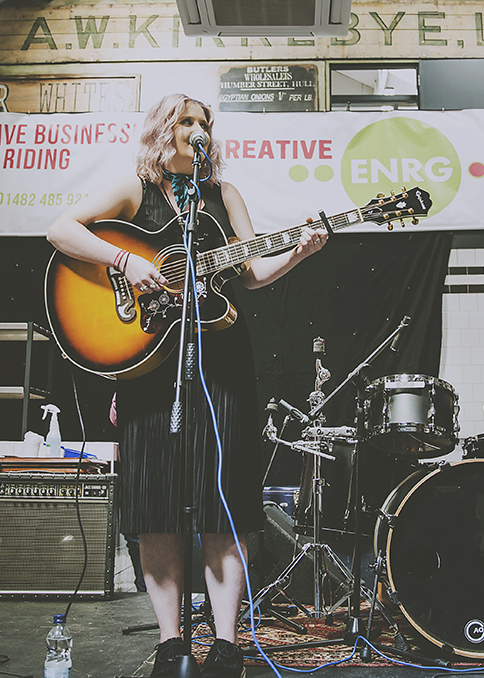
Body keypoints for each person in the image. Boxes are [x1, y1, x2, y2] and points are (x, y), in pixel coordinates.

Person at [47, 93, 327, 678]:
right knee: (158, 506)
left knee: (226, 503)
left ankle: (225, 644)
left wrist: (298, 253)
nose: (199, 130)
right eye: (187, 121)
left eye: (205, 123)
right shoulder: (137, 191)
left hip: (222, 365)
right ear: (162, 131)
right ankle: (171, 643)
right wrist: (126, 263)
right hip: (152, 371)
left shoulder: (225, 196)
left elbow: (252, 273)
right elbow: (61, 230)